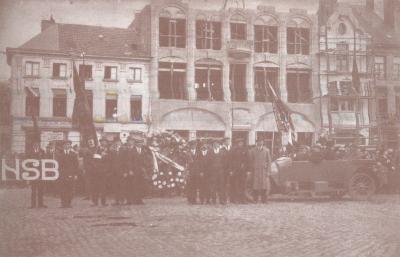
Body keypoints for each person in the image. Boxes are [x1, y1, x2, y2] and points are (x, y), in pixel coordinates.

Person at [56, 140, 79, 208]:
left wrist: (75, 174)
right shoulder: (59, 154)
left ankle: (69, 202)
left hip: (71, 174)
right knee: (62, 189)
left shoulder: (73, 154)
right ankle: (63, 203)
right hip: (62, 174)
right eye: (65, 145)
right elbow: (58, 165)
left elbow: (76, 165)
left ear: (70, 146)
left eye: (68, 144)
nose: (66, 146)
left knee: (70, 189)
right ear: (63, 146)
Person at [130, 137, 151, 204]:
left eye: (141, 142)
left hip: (142, 171)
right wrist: (130, 170)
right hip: (134, 170)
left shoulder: (144, 151)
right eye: (138, 143)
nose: (140, 144)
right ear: (135, 143)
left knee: (141, 185)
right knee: (134, 185)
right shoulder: (132, 151)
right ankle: (134, 199)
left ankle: (140, 199)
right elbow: (129, 161)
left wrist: (145, 168)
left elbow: (146, 160)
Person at [90, 138, 109, 206]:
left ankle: (103, 202)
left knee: (104, 188)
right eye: (102, 142)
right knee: (95, 187)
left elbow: (109, 161)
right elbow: (94, 160)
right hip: (97, 172)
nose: (103, 143)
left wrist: (106, 169)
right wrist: (96, 169)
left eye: (105, 142)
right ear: (100, 142)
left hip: (105, 172)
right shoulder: (97, 149)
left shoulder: (108, 150)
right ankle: (95, 201)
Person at [27, 142, 46, 208]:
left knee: (41, 189)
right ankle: (33, 204)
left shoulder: (42, 151)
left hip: (41, 174)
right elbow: (27, 163)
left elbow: (45, 161)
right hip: (33, 174)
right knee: (33, 190)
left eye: (37, 144)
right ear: (33, 145)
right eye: (34, 145)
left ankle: (41, 204)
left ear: (39, 145)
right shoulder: (29, 152)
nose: (36, 146)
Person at [230, 138, 249, 204]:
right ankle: (236, 199)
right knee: (235, 185)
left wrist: (246, 168)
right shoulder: (233, 150)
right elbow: (230, 160)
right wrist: (231, 170)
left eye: (241, 142)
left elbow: (248, 159)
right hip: (235, 171)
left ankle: (243, 199)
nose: (240, 143)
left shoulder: (245, 150)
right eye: (239, 142)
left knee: (243, 185)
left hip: (243, 171)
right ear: (237, 143)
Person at [209, 140, 227, 204]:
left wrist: (223, 169)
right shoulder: (210, 152)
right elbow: (207, 162)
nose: (216, 145)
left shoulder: (222, 152)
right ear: (213, 145)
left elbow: (225, 162)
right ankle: (213, 200)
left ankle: (221, 200)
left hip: (221, 172)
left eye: (217, 144)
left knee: (221, 186)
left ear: (219, 145)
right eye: (214, 144)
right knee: (213, 186)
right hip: (213, 172)